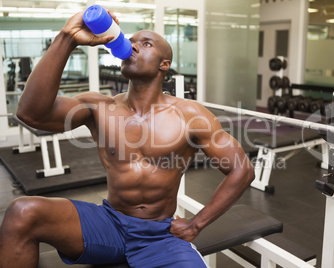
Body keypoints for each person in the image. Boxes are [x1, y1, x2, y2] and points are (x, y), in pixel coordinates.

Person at [0, 9, 254, 268]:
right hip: (109, 224)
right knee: (22, 211)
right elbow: (30, 114)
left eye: (145, 44)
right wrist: (67, 38)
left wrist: (195, 223)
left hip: (160, 236)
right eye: (131, 41)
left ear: (163, 64)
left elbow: (241, 170)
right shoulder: (98, 106)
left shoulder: (191, 115)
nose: (133, 46)